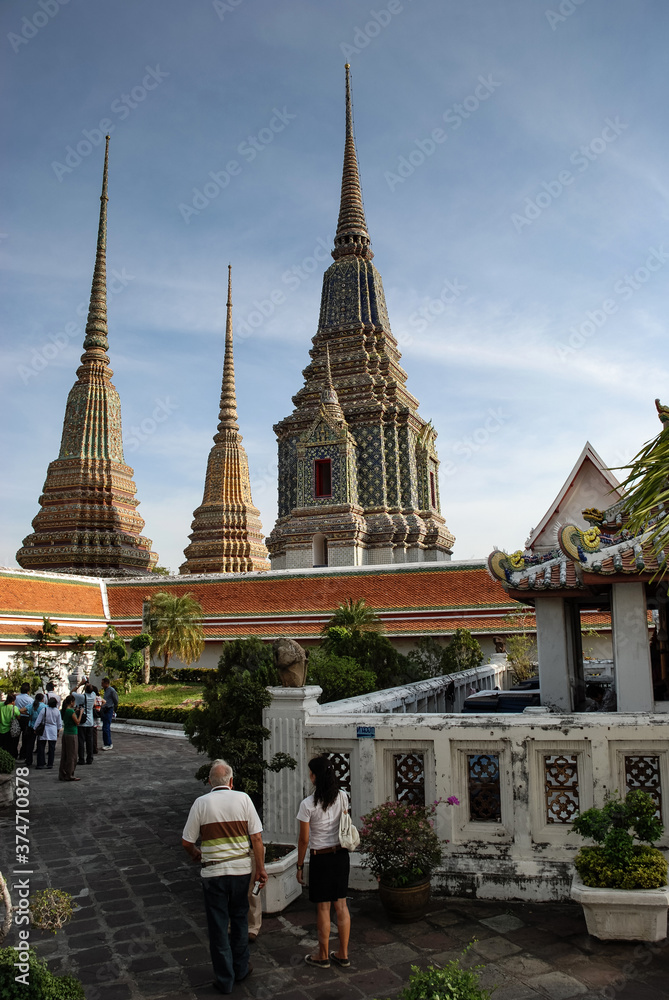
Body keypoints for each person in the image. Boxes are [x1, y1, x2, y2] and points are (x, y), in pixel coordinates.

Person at [182, 759, 268, 995]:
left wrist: (195, 853)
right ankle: (241, 968)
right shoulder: (243, 799)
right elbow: (257, 838)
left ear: (210, 782)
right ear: (231, 781)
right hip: (241, 871)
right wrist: (260, 869)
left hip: (213, 873)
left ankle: (224, 978)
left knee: (218, 925)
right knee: (240, 920)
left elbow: (187, 841)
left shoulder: (201, 803)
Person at [296, 755, 351, 969]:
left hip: (321, 857)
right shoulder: (343, 796)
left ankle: (323, 954)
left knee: (323, 908)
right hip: (341, 855)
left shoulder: (307, 804)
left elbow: (303, 839)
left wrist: (300, 865)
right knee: (341, 905)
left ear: (314, 776)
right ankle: (343, 953)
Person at [59, 694, 83, 781]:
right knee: (72, 755)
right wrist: (80, 713)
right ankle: (70, 774)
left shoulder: (65, 710)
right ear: (72, 702)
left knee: (65, 754)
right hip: (72, 734)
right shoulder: (70, 711)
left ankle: (63, 773)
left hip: (66, 733)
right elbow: (77, 722)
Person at [37, 697, 62, 770]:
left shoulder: (44, 710)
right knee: (52, 748)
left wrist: (35, 728)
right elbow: (59, 723)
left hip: (44, 729)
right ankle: (50, 763)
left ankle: (41, 763)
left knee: (41, 747)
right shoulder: (57, 711)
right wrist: (58, 731)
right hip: (53, 730)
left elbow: (39, 720)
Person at [23, 693, 46, 767]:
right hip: (40, 727)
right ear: (42, 699)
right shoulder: (44, 706)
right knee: (41, 745)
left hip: (31, 726)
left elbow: (21, 710)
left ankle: (29, 760)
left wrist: (28, 714)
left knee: (30, 745)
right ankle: (41, 761)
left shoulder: (31, 705)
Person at [76, 684, 96, 765]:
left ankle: (81, 758)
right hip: (90, 721)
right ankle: (90, 758)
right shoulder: (93, 695)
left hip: (82, 721)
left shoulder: (82, 697)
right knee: (89, 741)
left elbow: (72, 692)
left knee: (81, 741)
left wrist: (81, 684)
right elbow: (92, 691)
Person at [0, 694, 24, 758]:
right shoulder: (14, 708)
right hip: (9, 729)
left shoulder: (1, 706)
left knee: (2, 745)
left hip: (1, 728)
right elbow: (18, 717)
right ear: (13, 701)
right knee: (9, 746)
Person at [15, 683, 33, 759]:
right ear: (28, 691)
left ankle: (14, 753)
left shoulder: (16, 698)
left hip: (17, 718)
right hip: (26, 719)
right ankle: (23, 754)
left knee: (15, 736)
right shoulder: (30, 699)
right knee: (25, 738)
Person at [100, 677, 118, 750]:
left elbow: (116, 700)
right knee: (105, 727)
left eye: (102, 683)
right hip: (105, 709)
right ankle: (106, 743)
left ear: (106, 683)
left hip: (109, 709)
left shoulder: (111, 690)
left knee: (106, 727)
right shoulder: (105, 690)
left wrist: (113, 708)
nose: (101, 685)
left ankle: (108, 743)